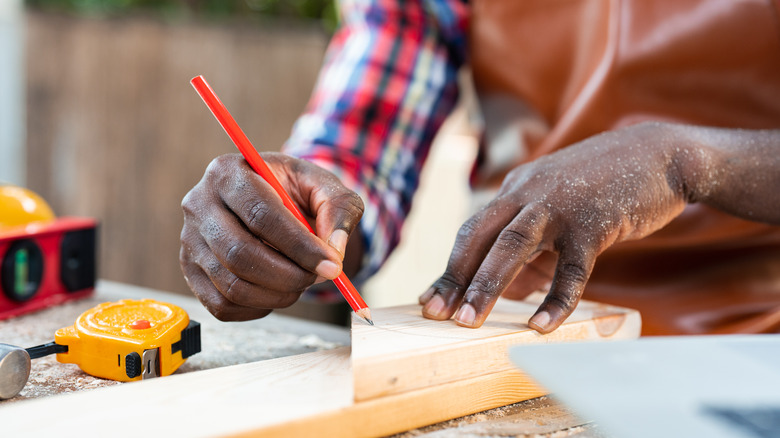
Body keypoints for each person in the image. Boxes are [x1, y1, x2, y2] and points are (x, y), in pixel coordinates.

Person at [179, 0, 780, 335]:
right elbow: (362, 148)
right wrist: (299, 215)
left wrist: (690, 160)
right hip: (513, 327)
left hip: (755, 336)